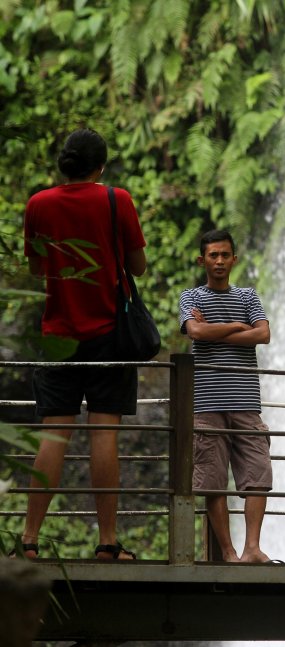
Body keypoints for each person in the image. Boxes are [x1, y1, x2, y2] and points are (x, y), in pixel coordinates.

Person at [18, 128, 147, 560]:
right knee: (104, 432)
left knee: (54, 435)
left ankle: (29, 541)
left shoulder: (39, 204)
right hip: (110, 332)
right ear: (101, 165)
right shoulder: (117, 200)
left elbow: (37, 267)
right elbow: (139, 266)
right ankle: (108, 543)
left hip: (58, 333)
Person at [178, 229, 274, 563]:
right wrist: (238, 327)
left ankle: (252, 549)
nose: (219, 261)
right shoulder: (190, 297)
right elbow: (195, 331)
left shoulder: (248, 296)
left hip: (246, 402)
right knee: (213, 481)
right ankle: (229, 553)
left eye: (225, 255)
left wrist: (217, 332)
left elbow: (263, 334)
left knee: (258, 476)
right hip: (207, 403)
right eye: (213, 255)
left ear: (234, 258)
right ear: (201, 259)